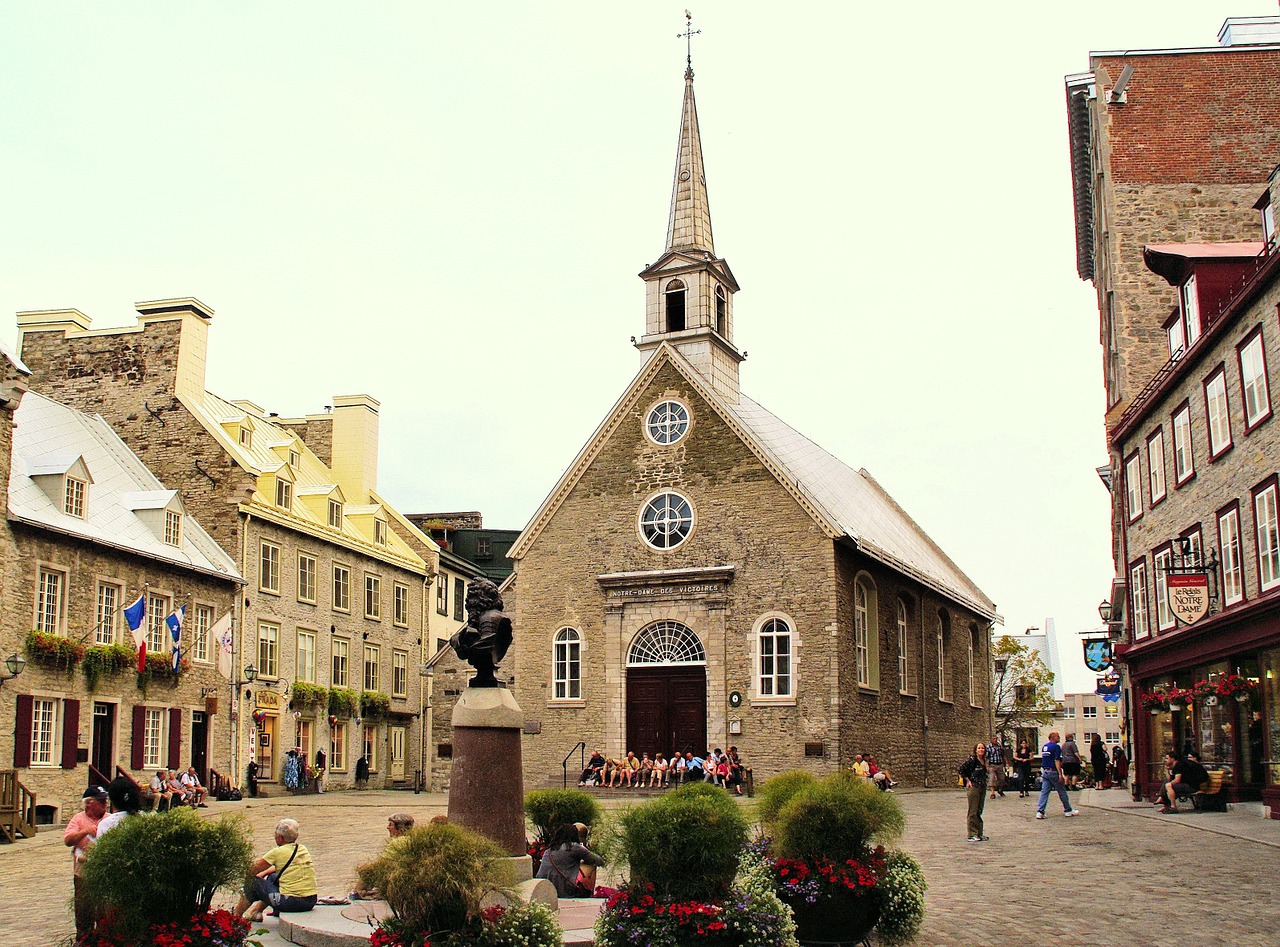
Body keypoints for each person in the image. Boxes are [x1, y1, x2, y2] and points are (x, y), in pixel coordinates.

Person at [235, 818, 318, 920]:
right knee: (273, 877)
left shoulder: (277, 852)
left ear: (280, 837)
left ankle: (235, 916)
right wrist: (265, 873)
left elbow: (252, 870)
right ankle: (256, 912)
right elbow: (285, 868)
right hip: (310, 901)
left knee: (253, 883)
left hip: (290, 903)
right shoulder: (302, 849)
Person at [65, 785, 108, 943]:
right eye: (101, 801)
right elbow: (68, 840)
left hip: (104, 871)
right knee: (84, 910)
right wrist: (85, 831)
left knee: (104, 910)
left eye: (105, 800)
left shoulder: (109, 818)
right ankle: (83, 940)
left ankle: (104, 940)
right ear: (89, 803)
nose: (105, 803)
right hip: (83, 872)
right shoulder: (78, 818)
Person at [534, 822, 606, 898]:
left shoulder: (549, 850)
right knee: (590, 867)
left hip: (543, 886)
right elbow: (599, 861)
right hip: (563, 888)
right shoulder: (574, 847)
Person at [1036, 731, 1078, 819]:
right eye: (1057, 736)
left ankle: (1040, 811)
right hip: (1053, 771)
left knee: (1044, 792)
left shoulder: (1045, 747)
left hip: (1045, 771)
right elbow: (1057, 760)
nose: (1059, 738)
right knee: (1062, 791)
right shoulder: (1056, 747)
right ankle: (1068, 810)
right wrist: (1060, 774)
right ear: (1053, 738)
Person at [958, 743, 989, 841]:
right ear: (975, 750)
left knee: (979, 810)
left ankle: (979, 833)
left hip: (982, 787)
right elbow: (962, 770)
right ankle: (972, 834)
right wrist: (968, 781)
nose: (981, 750)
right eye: (979, 748)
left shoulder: (984, 761)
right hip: (974, 787)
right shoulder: (972, 760)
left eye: (982, 748)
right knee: (973, 811)